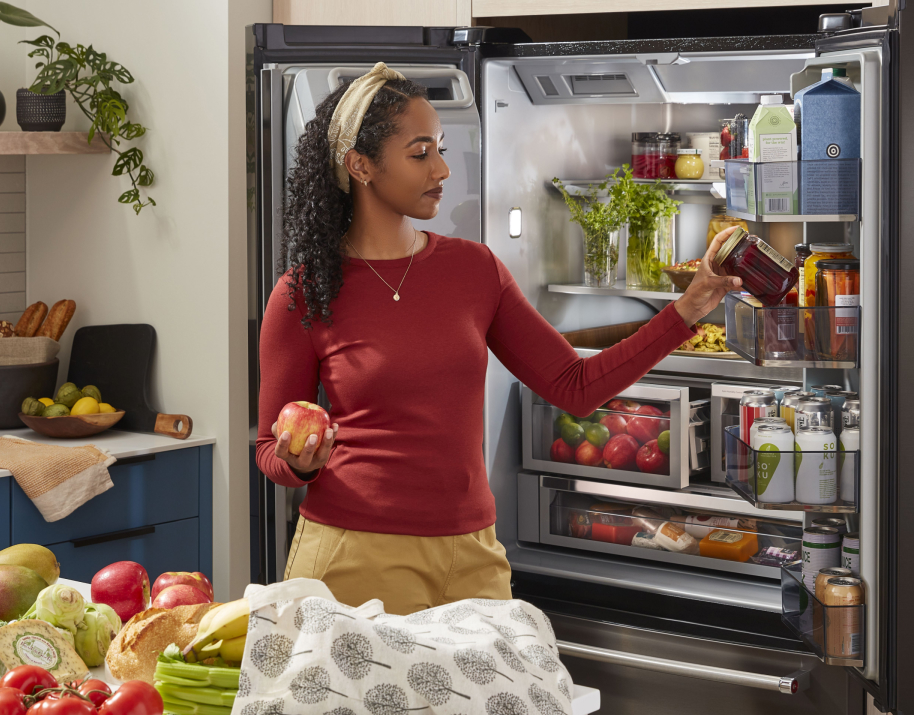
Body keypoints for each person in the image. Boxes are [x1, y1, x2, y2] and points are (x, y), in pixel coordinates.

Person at [255, 62, 741, 615]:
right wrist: (303, 465)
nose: (441, 168)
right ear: (360, 166)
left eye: (439, 148)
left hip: (472, 554)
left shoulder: (473, 270)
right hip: (354, 555)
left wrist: (689, 307)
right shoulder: (306, 291)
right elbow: (269, 450)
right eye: (420, 154)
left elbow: (575, 385)